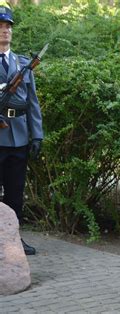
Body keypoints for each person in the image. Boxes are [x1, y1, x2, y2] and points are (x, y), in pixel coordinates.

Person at [0, 4, 43, 256]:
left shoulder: (23, 64)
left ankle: (14, 240)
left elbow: (32, 102)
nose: (5, 31)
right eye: (1, 27)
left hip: (18, 137)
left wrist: (37, 134)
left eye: (8, 27)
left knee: (16, 194)